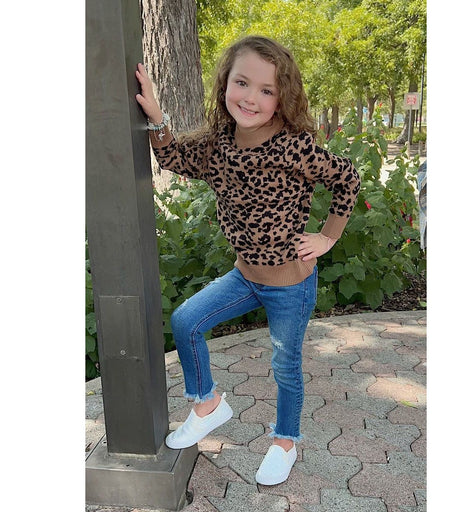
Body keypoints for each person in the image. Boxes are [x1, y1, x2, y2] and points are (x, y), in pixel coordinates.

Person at [135, 35, 360, 486]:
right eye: (242, 83)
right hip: (245, 275)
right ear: (225, 83)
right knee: (186, 321)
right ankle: (208, 405)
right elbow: (175, 157)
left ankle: (285, 442)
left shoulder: (293, 147)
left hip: (291, 283)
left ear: (283, 98)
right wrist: (157, 119)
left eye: (266, 90)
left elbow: (347, 179)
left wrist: (327, 236)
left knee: (285, 366)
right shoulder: (218, 143)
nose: (251, 98)